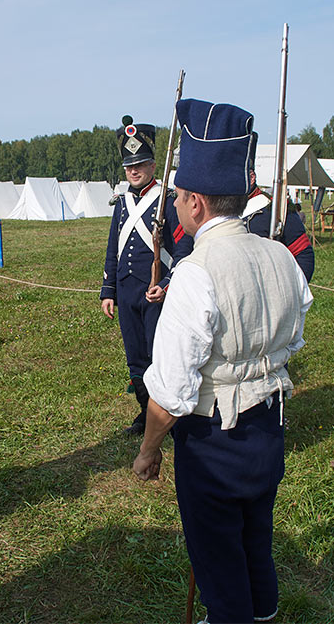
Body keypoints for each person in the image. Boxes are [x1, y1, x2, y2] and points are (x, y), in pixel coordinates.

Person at [132, 99, 312, 623]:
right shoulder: (281, 255)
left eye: (182, 197)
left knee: (219, 563)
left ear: (196, 204)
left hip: (214, 443)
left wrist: (148, 451)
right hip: (268, 428)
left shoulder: (195, 272)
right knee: (256, 539)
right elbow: (295, 330)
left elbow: (169, 394)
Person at [101, 115, 193, 435]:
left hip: (157, 295)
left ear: (153, 165)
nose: (134, 170)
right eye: (129, 166)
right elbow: (114, 248)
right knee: (135, 359)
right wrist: (108, 290)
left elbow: (183, 250)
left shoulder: (167, 200)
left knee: (160, 357)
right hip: (127, 293)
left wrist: (167, 285)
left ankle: (166, 415)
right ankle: (145, 413)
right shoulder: (122, 203)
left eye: (140, 163)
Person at [242, 133, 315, 283]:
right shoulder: (221, 210)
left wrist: (291, 295)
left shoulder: (277, 209)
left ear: (251, 177)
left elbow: (303, 255)